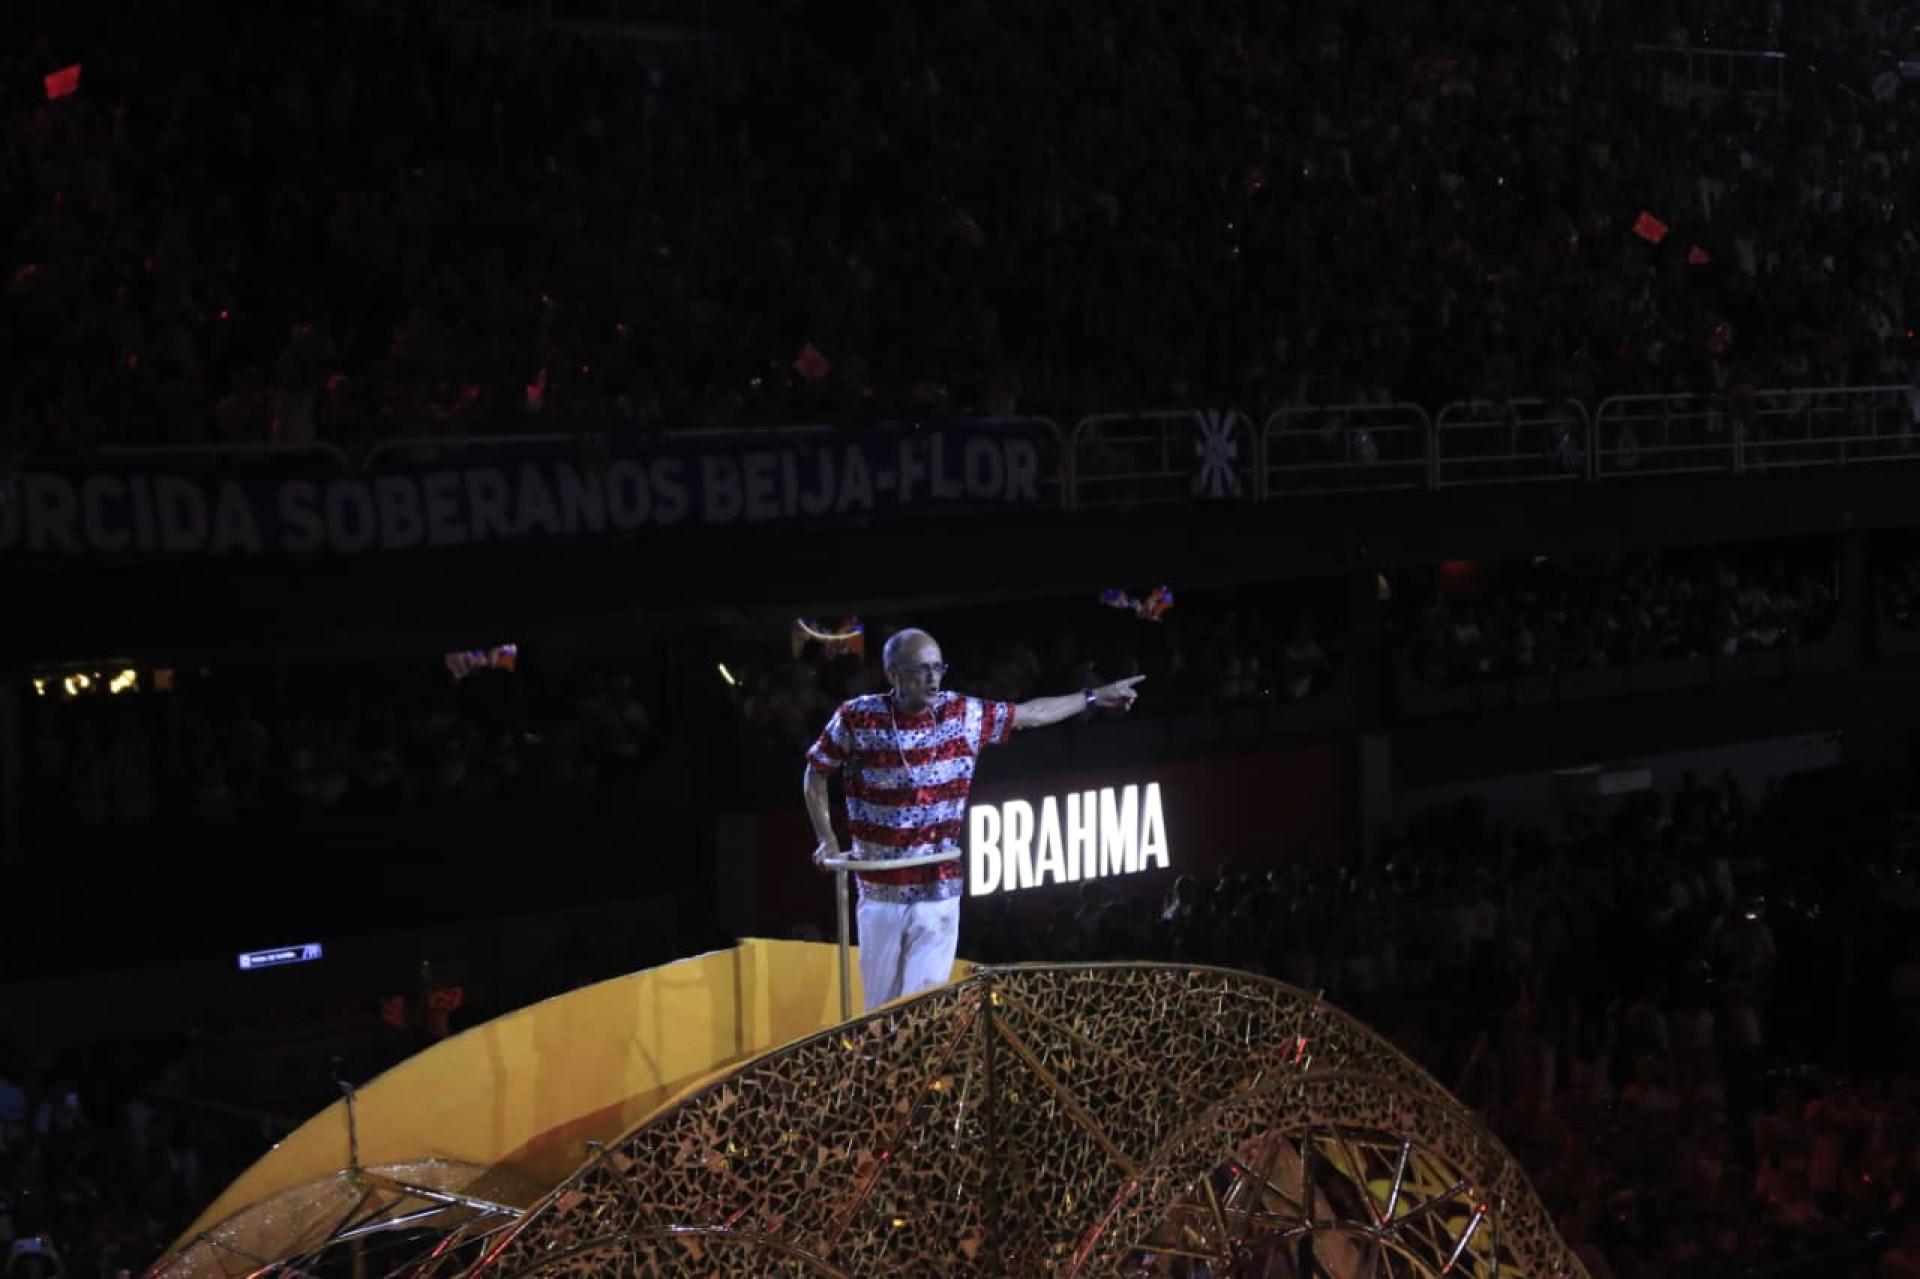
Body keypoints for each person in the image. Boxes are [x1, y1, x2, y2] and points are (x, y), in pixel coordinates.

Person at [803, 627, 1142, 1011]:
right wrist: (825, 838)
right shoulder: (858, 717)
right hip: (880, 892)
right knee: (880, 1012)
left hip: (938, 890)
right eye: (920, 670)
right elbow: (815, 771)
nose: (933, 679)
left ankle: (920, 1068)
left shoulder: (961, 713)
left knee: (924, 1009)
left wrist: (1094, 696)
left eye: (938, 668)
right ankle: (879, 1067)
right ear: (893, 674)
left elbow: (1030, 714)